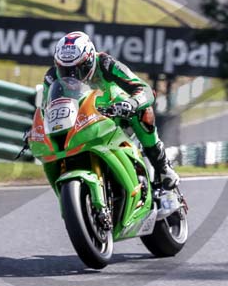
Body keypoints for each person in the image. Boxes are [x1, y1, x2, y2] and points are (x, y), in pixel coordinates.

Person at [42, 30, 179, 189]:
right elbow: (46, 108)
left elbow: (144, 89)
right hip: (79, 121)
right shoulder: (51, 78)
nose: (73, 76)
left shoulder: (106, 64)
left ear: (90, 60)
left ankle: (163, 167)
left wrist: (131, 103)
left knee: (143, 113)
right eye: (65, 70)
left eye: (79, 69)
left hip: (114, 112)